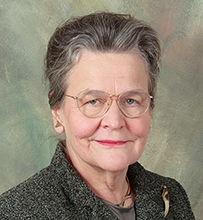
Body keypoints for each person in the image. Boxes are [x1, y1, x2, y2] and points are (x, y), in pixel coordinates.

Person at [0, 12, 195, 219]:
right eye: (93, 101)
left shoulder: (171, 196)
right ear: (57, 112)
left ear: (150, 108)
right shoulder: (14, 213)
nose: (114, 122)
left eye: (131, 101)